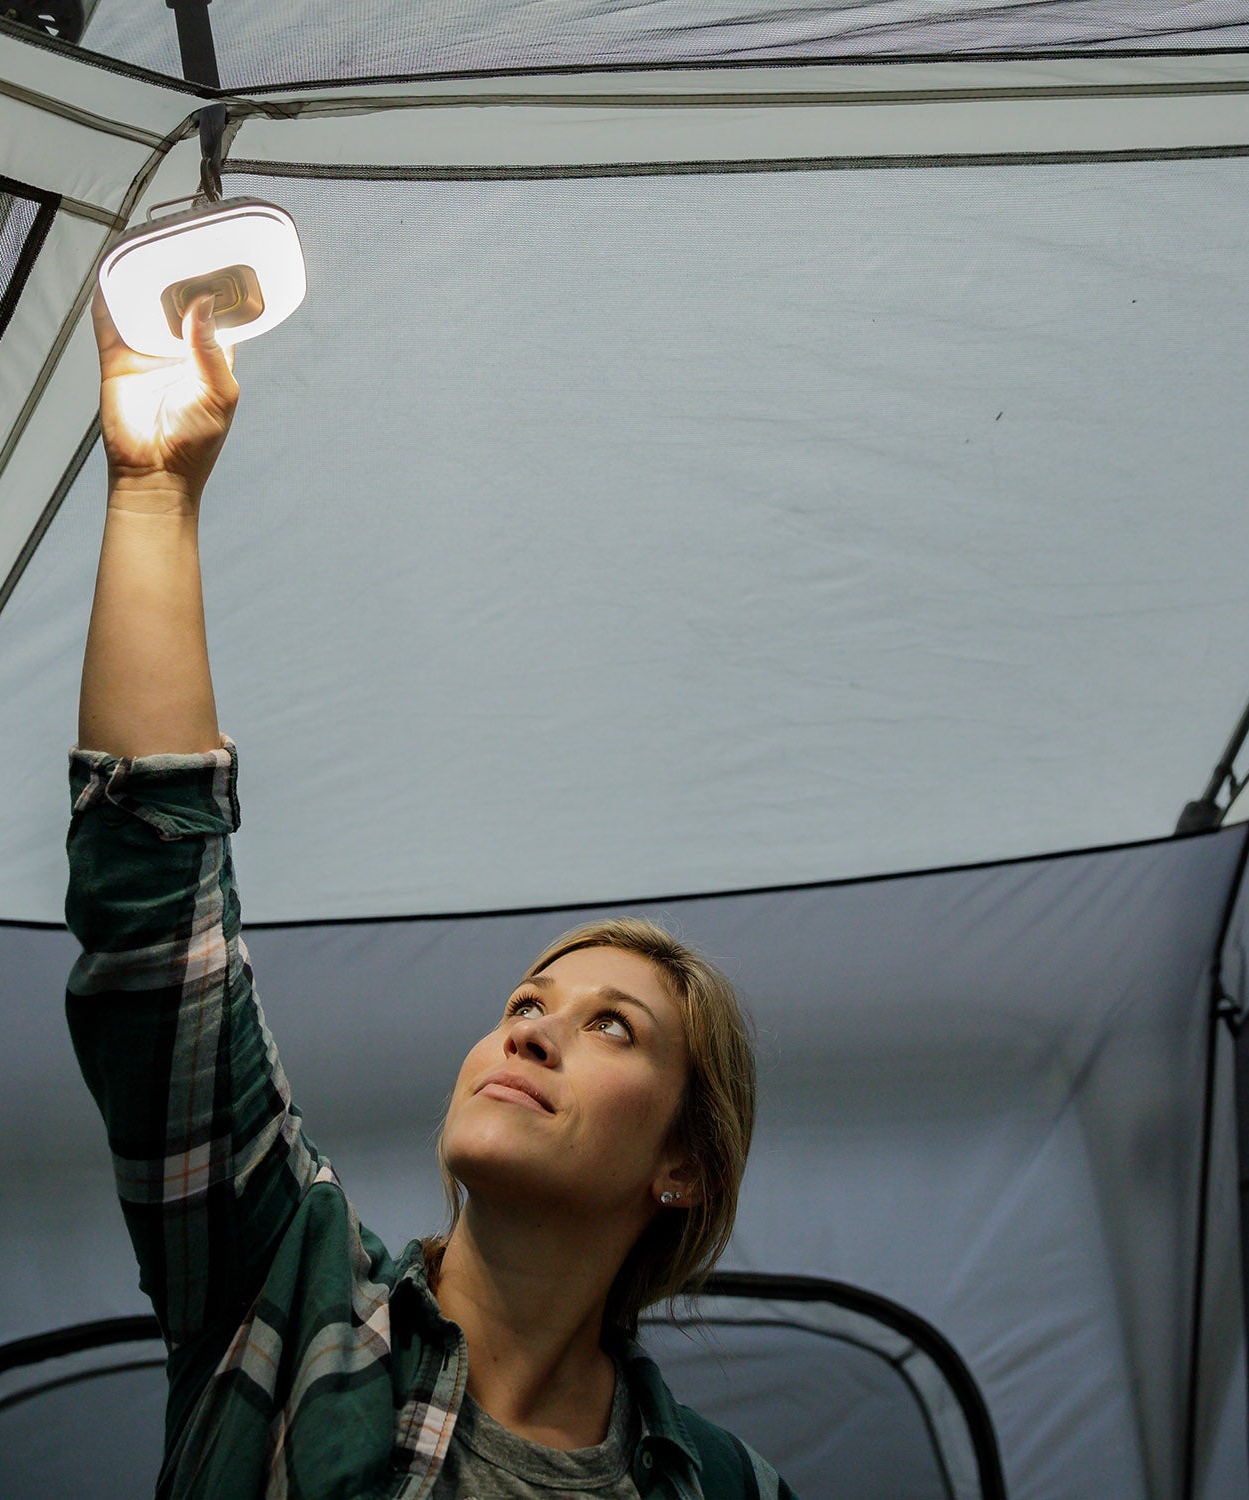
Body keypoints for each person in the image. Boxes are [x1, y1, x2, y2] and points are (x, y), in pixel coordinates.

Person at [66, 286, 797, 1500]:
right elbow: (158, 943)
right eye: (529, 1000)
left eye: (612, 1024)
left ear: (685, 1166)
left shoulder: (725, 1489)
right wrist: (152, 495)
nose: (532, 1025)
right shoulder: (284, 1294)